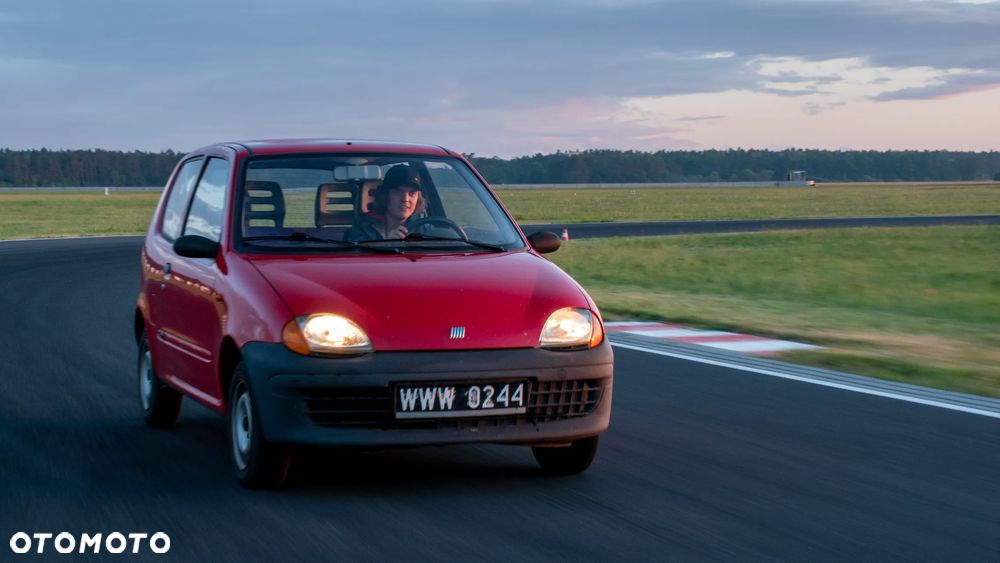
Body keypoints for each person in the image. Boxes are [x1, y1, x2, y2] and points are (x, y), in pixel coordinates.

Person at [344, 164, 428, 241]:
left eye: (412, 194)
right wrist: (386, 245)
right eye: (398, 192)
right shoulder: (362, 227)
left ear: (418, 199)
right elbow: (355, 255)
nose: (405, 199)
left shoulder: (426, 230)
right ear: (385, 195)